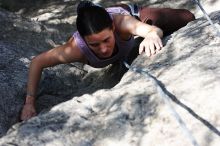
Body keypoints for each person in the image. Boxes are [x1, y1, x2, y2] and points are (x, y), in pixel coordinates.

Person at [20, 1, 195, 120]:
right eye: (94, 44)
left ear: (113, 28)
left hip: (129, 13)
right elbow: (37, 62)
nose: (103, 49)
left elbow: (153, 30)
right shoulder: (74, 49)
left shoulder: (122, 23)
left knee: (187, 17)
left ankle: (108, 9)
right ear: (83, 39)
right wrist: (30, 103)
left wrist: (150, 35)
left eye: (106, 40)